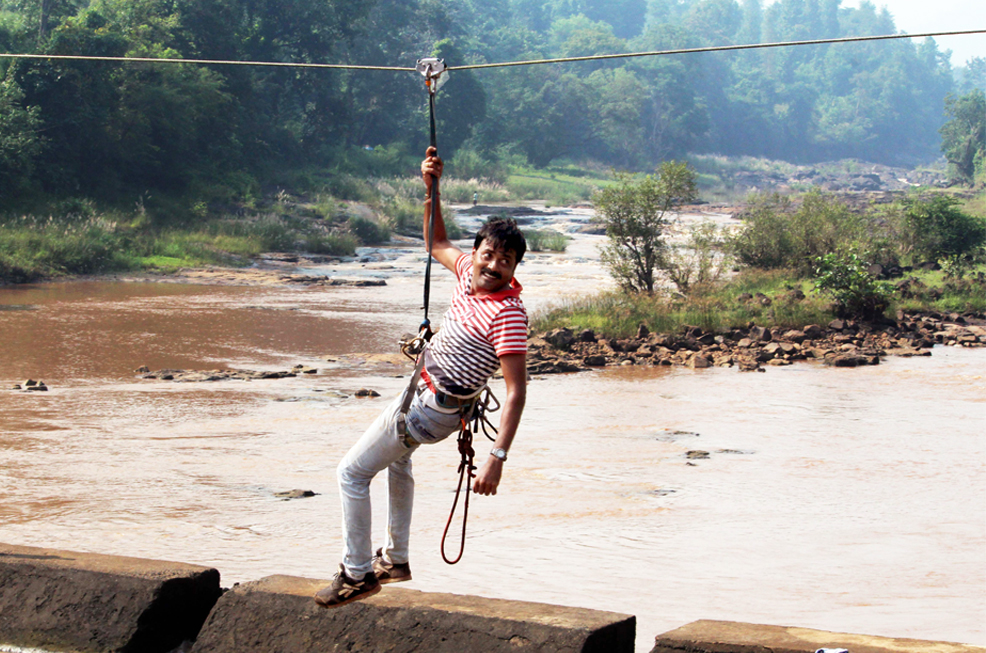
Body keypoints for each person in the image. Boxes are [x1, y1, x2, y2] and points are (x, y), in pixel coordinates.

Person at [315, 147, 528, 608]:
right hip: (423, 395)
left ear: (514, 269)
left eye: (506, 261)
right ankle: (396, 559)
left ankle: (356, 573)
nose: (493, 266)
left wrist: (497, 458)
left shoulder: (508, 314)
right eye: (489, 254)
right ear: (477, 253)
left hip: (433, 410)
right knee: (398, 461)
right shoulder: (467, 272)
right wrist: (432, 187)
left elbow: (516, 393)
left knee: (351, 472)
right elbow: (435, 242)